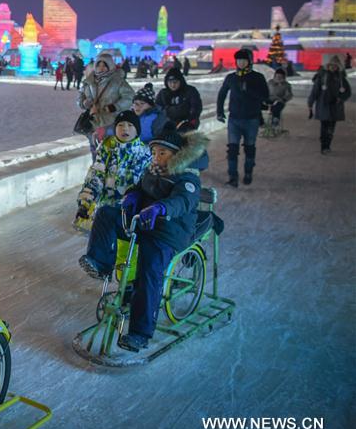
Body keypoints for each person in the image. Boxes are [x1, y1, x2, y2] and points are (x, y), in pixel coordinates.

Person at [81, 129, 208, 352]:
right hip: (144, 222)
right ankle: (100, 262)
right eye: (155, 152)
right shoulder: (153, 170)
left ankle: (140, 333)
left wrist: (161, 207)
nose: (157, 157)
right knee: (106, 214)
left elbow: (183, 201)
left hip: (168, 231)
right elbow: (141, 187)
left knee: (149, 270)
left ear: (176, 155)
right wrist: (133, 194)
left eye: (163, 153)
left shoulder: (187, 177)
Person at [74, 110, 151, 243]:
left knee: (123, 250)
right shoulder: (106, 149)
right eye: (121, 125)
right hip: (104, 210)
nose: (125, 128)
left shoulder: (145, 154)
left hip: (129, 213)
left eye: (130, 125)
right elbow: (95, 177)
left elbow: (146, 186)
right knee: (102, 245)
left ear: (137, 131)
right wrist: (85, 203)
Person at [216, 48, 269, 187]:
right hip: (234, 119)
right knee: (232, 149)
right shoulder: (231, 78)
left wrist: (249, 90)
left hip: (252, 119)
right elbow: (222, 94)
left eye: (244, 60)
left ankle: (248, 171)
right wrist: (219, 112)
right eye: (238, 60)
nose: (241, 63)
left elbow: (265, 96)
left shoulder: (257, 77)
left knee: (249, 148)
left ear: (249, 61)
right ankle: (233, 176)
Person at [78, 52, 135, 158]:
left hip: (111, 123)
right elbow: (80, 97)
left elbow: (130, 97)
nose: (101, 68)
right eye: (99, 65)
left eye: (105, 65)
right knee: (95, 151)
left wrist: (114, 107)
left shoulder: (117, 81)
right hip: (93, 122)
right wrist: (84, 103)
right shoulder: (88, 81)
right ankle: (96, 171)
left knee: (110, 151)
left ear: (110, 66)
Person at [307, 55, 351, 154]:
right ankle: (324, 146)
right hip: (324, 105)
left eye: (335, 66)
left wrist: (341, 98)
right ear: (328, 66)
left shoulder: (341, 79)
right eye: (331, 65)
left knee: (331, 128)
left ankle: (328, 145)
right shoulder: (322, 77)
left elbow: (347, 92)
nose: (333, 67)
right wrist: (310, 102)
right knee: (324, 126)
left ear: (338, 67)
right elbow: (315, 91)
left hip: (335, 107)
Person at [156, 67, 203, 132]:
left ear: (180, 81)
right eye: (170, 82)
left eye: (175, 82)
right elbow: (158, 109)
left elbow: (196, 108)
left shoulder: (190, 91)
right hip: (167, 125)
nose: (173, 85)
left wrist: (189, 119)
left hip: (186, 124)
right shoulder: (163, 93)